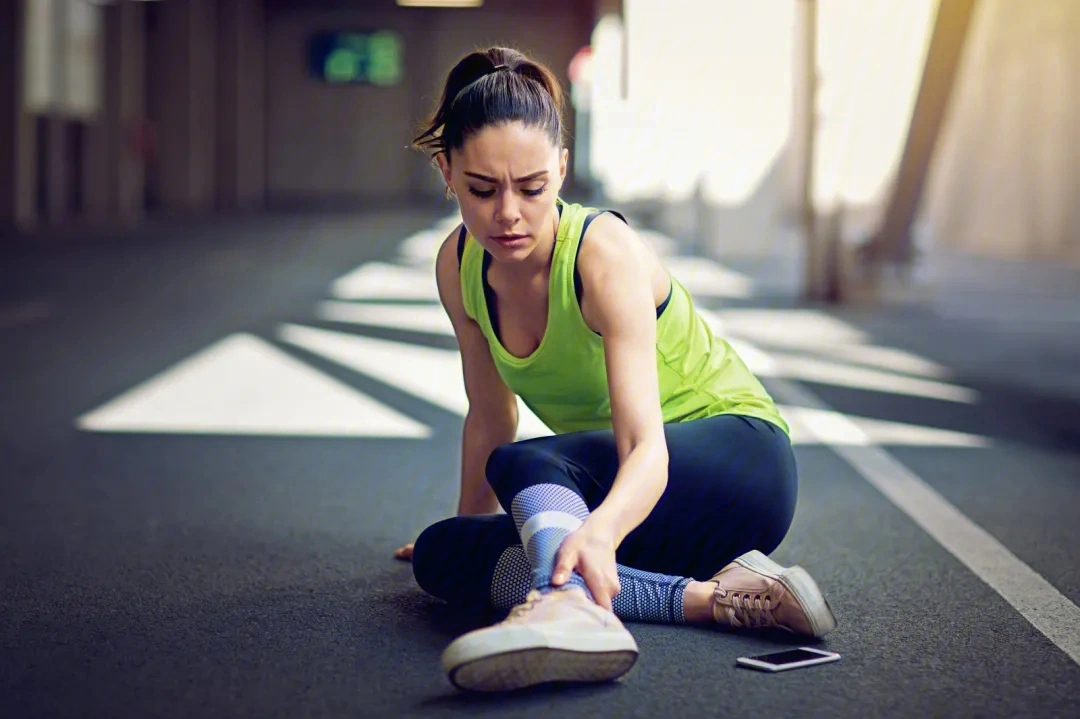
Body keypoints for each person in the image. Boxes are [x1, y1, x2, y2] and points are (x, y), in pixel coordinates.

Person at [395, 46, 837, 693]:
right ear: (447, 172)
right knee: (443, 554)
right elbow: (492, 415)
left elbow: (644, 448)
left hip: (737, 462)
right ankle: (715, 597)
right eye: (482, 190)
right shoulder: (457, 266)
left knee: (529, 464)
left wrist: (598, 533)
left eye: (533, 187)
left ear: (563, 169)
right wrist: (470, 523)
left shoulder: (602, 254)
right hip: (641, 504)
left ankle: (568, 606)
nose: (508, 213)